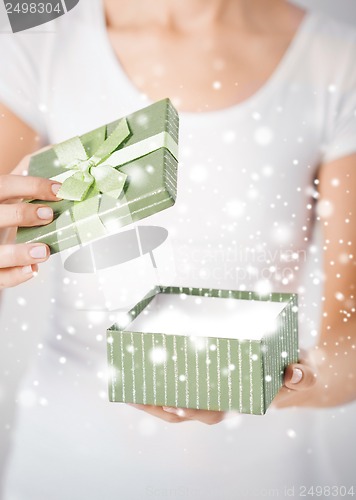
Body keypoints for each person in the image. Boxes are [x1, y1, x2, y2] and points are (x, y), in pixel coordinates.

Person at [0, 0, 355, 498]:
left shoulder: (338, 59)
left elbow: (350, 337)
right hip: (63, 465)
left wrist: (292, 376)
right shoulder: (40, 44)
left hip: (261, 477)